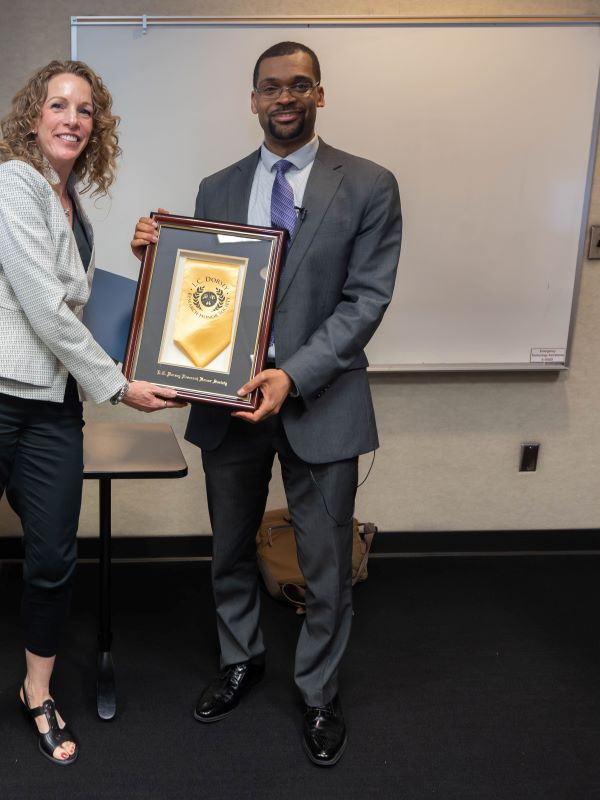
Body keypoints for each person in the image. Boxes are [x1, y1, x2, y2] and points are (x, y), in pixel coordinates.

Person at [131, 41, 402, 766]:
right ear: (253, 99)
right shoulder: (217, 187)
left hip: (322, 400)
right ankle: (240, 659)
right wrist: (157, 262)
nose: (285, 98)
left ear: (320, 93)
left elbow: (366, 299)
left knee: (325, 564)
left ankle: (318, 695)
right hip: (228, 405)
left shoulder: (371, 184)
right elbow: (207, 294)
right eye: (271, 88)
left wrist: (294, 375)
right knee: (229, 550)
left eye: (299, 85)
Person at [0, 59, 182, 789]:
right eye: (58, 105)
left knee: (53, 557)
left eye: (86, 109)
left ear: (96, 127)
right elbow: (42, 305)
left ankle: (36, 692)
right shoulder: (13, 182)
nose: (72, 118)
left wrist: (150, 267)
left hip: (49, 405)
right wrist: (119, 387)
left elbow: (81, 306)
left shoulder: (79, 214)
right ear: (33, 117)